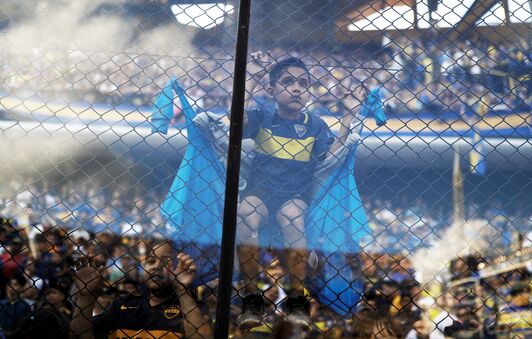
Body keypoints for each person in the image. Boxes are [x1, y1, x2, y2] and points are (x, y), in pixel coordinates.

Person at [236, 52, 366, 329]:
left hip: (294, 196)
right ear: (271, 89)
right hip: (259, 192)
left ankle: (296, 299)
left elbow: (331, 155)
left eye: (303, 83)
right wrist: (251, 76)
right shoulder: (261, 116)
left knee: (292, 217)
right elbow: (235, 118)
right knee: (246, 212)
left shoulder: (315, 125)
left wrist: (348, 116)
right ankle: (251, 297)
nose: (296, 88)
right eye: (288, 82)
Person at [69, 240, 212, 339]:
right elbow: (80, 335)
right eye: (150, 261)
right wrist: (85, 297)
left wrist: (182, 290)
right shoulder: (120, 306)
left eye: (167, 262)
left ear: (180, 266)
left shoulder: (192, 310)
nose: (156, 266)